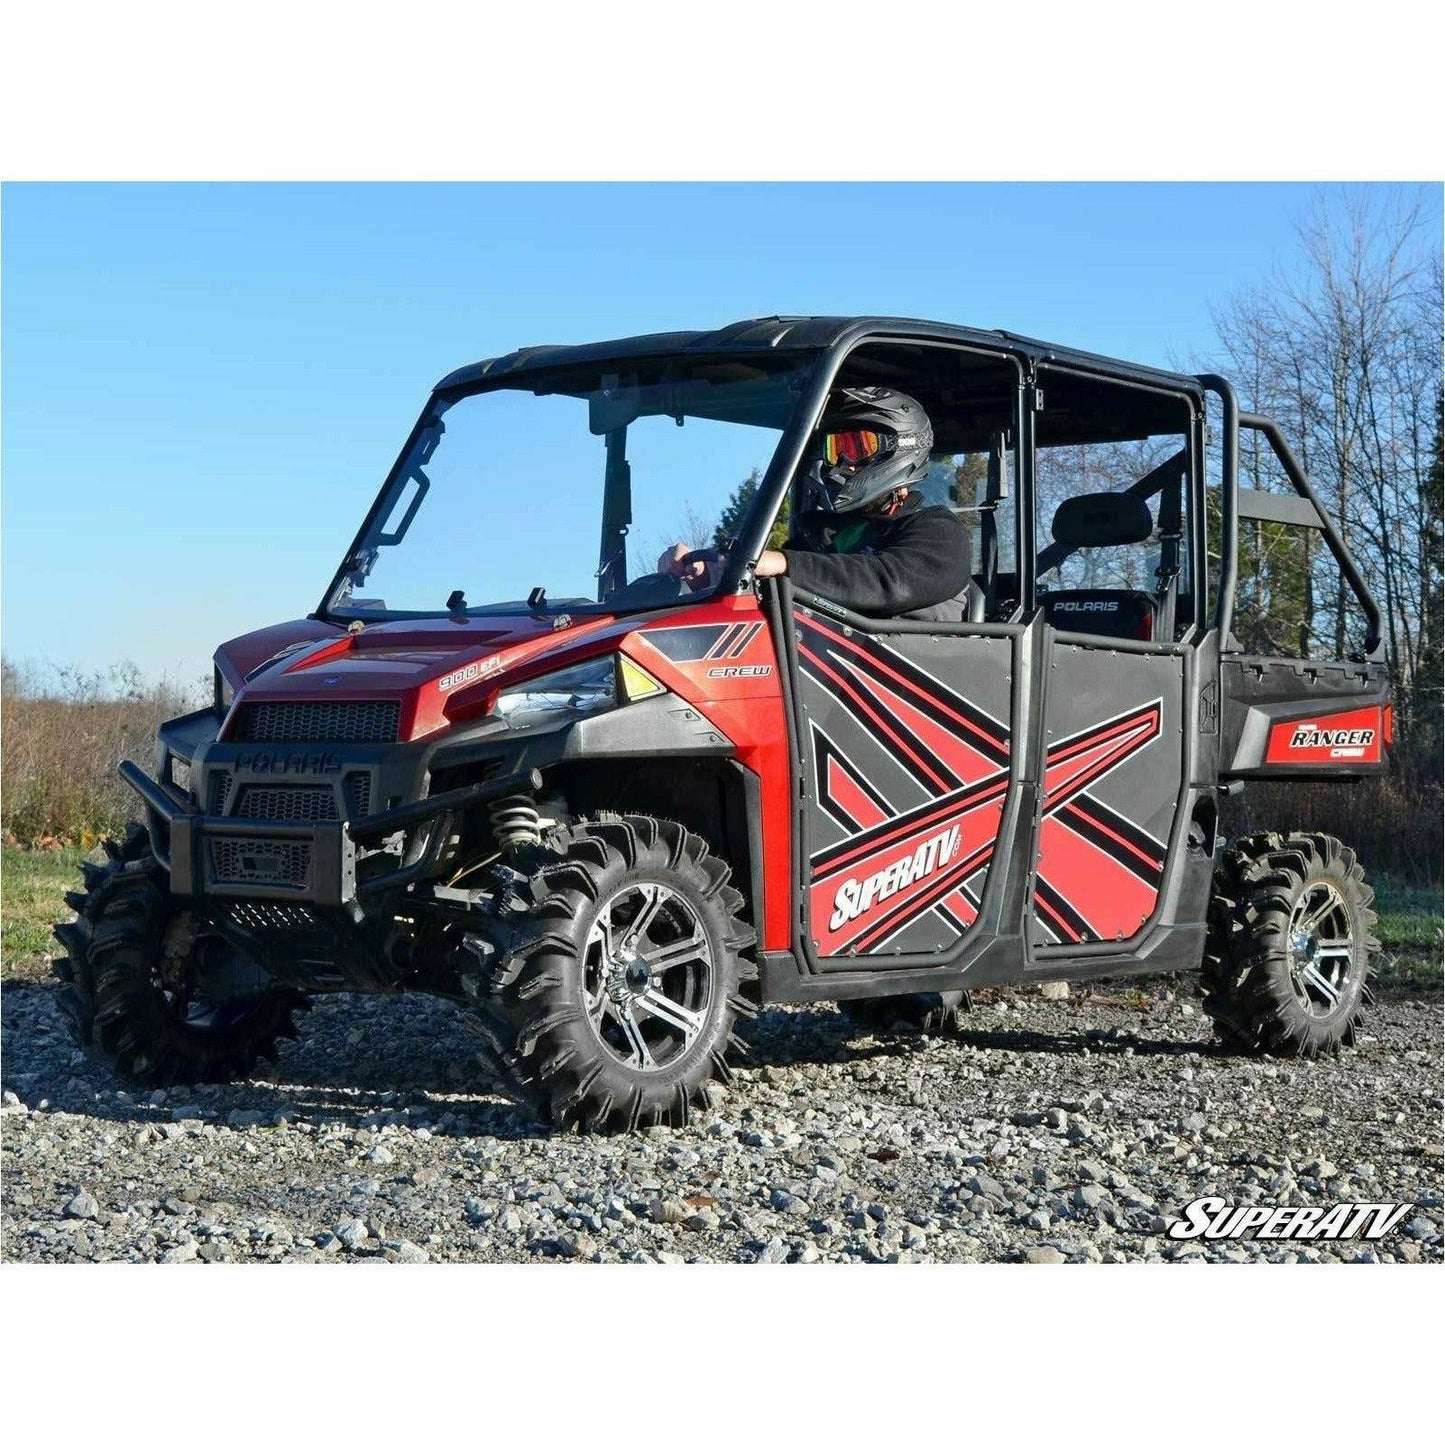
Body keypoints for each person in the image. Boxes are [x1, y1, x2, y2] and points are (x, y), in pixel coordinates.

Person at [657, 387, 974, 621]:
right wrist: (708, 578)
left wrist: (783, 564)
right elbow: (767, 595)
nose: (843, 462)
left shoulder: (939, 532)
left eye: (858, 446)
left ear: (900, 450)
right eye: (837, 449)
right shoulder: (821, 535)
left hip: (905, 689)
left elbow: (887, 582)